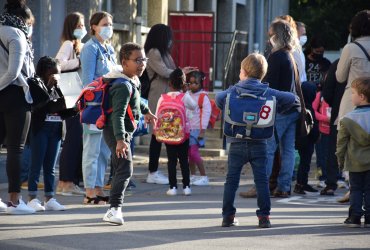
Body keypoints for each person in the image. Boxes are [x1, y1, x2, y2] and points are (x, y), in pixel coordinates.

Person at [215, 53, 296, 228]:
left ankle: (228, 216)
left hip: (236, 141)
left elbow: (219, 99)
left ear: (243, 72)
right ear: (263, 74)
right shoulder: (268, 92)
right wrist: (277, 107)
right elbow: (292, 99)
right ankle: (264, 217)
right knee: (261, 181)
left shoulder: (233, 91)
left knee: (231, 180)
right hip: (260, 142)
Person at [102, 42, 156, 224]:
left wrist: (147, 110)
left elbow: (137, 100)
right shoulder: (122, 85)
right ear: (125, 62)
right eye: (137, 60)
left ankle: (114, 208)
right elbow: (118, 115)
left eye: (144, 59)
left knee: (120, 168)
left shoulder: (132, 80)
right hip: (116, 131)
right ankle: (114, 209)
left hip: (123, 132)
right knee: (125, 169)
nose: (142, 64)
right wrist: (120, 140)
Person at [145, 23, 196, 185]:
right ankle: (152, 171)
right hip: (158, 97)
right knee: (156, 134)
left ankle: (157, 170)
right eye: (168, 37)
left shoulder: (164, 53)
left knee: (165, 132)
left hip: (168, 97)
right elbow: (164, 71)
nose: (170, 40)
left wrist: (181, 72)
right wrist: (181, 72)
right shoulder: (153, 52)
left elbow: (172, 71)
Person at [0, 0, 36, 214]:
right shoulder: (17, 34)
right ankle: (14, 200)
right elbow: (14, 72)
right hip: (15, 94)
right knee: (15, 148)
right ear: (23, 19)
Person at [27, 56, 76, 211]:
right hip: (40, 129)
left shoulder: (59, 86)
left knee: (50, 167)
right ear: (46, 70)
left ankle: (49, 198)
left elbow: (64, 110)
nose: (57, 75)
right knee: (36, 165)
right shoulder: (34, 83)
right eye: (55, 71)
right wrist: (48, 87)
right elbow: (37, 107)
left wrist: (74, 108)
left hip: (55, 130)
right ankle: (32, 198)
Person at [80, 11, 116, 205]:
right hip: (94, 106)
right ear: (94, 26)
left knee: (104, 150)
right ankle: (89, 191)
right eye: (105, 23)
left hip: (108, 105)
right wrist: (107, 80)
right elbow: (87, 81)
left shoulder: (109, 48)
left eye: (110, 23)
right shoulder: (90, 48)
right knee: (92, 149)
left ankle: (99, 187)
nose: (108, 27)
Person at [262, 20, 301, 198]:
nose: (269, 38)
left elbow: (269, 86)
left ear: (276, 36)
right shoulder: (290, 55)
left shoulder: (276, 57)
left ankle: (263, 185)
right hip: (293, 107)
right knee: (288, 149)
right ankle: (284, 186)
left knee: (269, 148)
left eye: (270, 35)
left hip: (281, 109)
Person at [335, 10, 370, 201]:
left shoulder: (351, 48)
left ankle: (353, 187)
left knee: (350, 142)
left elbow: (340, 76)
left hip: (354, 100)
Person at [55, 11, 86, 196]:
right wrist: (79, 61)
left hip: (75, 94)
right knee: (73, 138)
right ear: (71, 27)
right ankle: (66, 182)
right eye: (79, 25)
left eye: (83, 25)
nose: (82, 29)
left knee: (76, 138)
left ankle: (69, 182)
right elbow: (58, 64)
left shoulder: (76, 45)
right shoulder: (68, 44)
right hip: (70, 94)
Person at [156, 68, 197, 196]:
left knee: (171, 161)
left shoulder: (162, 98)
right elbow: (194, 106)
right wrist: (187, 92)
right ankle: (186, 187)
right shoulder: (184, 97)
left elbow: (158, 115)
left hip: (168, 134)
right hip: (183, 134)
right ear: (183, 84)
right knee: (184, 160)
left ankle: (172, 187)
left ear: (169, 84)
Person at [336, 77, 370, 227]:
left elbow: (341, 143)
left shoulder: (347, 119)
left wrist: (340, 161)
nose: (351, 96)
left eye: (353, 93)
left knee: (355, 189)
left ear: (361, 97)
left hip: (354, 162)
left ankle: (355, 216)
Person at [187, 70, 211, 186]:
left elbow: (206, 114)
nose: (192, 85)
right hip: (187, 129)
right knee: (189, 154)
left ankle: (204, 176)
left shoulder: (203, 97)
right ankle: (193, 176)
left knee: (194, 153)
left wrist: (203, 130)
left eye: (195, 83)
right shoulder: (187, 94)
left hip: (197, 130)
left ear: (201, 83)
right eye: (190, 83)